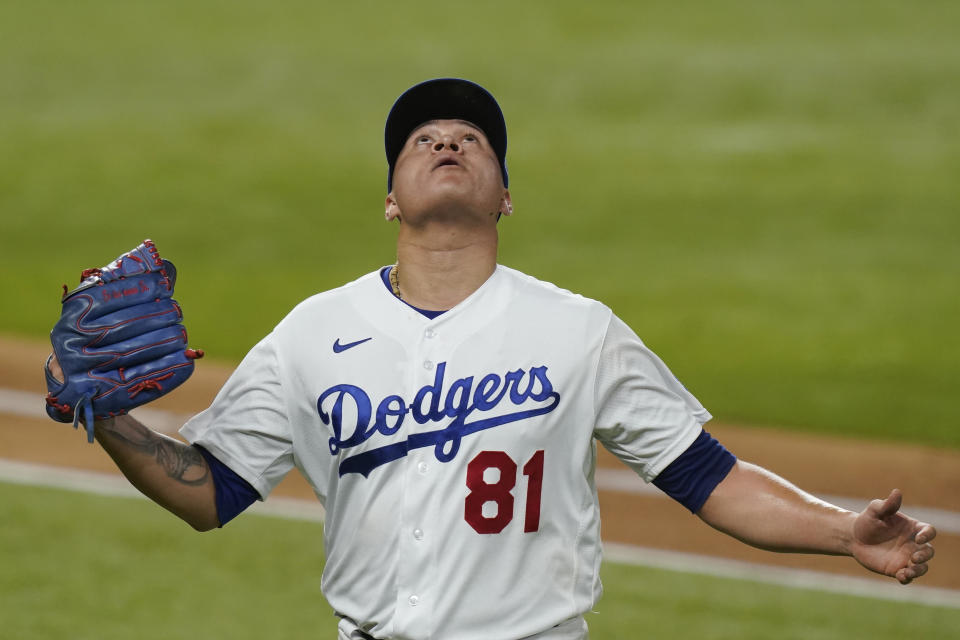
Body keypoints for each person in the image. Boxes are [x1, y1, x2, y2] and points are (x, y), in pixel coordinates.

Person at [46, 78, 936, 640]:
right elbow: (211, 492)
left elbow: (707, 475)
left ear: (505, 196)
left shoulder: (579, 329)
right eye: (421, 139)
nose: (446, 142)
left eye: (471, 139)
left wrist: (840, 529)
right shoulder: (313, 332)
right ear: (390, 200)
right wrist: (112, 421)